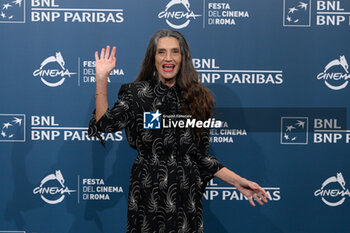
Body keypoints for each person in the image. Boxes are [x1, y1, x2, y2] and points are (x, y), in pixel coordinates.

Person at [88, 29, 268, 232]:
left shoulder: (199, 98)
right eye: (161, 52)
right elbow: (105, 124)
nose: (168, 58)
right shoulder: (137, 94)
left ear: (183, 58)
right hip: (148, 188)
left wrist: (238, 182)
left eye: (175, 52)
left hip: (185, 193)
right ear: (153, 58)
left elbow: (201, 156)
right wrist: (101, 79)